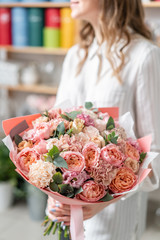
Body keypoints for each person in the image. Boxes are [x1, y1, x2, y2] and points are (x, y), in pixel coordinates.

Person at [47, 1, 160, 239]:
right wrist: (51, 187)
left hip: (115, 218)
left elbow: (155, 151)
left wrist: (104, 201)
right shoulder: (76, 55)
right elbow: (53, 129)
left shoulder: (144, 56)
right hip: (63, 210)